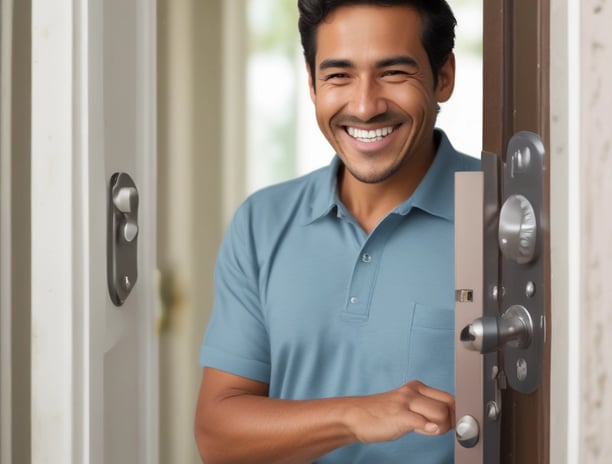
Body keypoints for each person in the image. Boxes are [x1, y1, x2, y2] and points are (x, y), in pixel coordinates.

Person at [194, 0, 480, 462]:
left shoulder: (504, 216)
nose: (365, 106)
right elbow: (217, 436)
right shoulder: (261, 222)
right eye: (339, 75)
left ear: (443, 77)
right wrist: (353, 416)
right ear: (311, 83)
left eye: (393, 73)